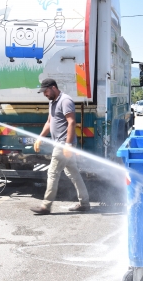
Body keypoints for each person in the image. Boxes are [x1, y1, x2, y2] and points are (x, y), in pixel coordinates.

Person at [30, 78, 90, 215]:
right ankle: (84, 203)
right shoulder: (52, 102)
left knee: (52, 173)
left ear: (53, 87)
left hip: (64, 143)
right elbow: (49, 122)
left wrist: (68, 145)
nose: (44, 94)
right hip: (61, 143)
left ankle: (46, 206)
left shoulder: (65, 100)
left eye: (45, 91)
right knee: (73, 173)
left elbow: (71, 122)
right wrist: (40, 138)